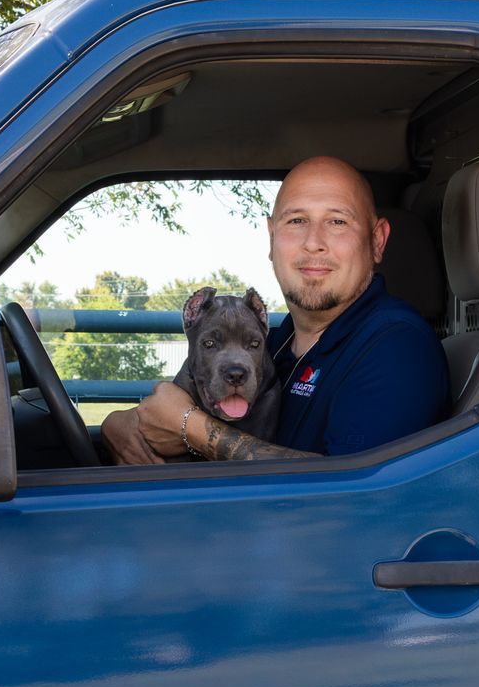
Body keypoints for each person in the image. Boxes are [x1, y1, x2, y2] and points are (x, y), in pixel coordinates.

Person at [101, 156, 449, 464]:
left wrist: (191, 428)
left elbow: (351, 491)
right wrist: (119, 425)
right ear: (271, 238)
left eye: (337, 222)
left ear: (377, 240)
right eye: (296, 221)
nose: (313, 242)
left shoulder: (397, 346)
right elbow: (173, 408)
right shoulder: (276, 342)